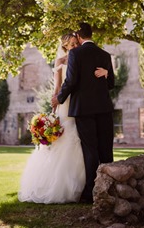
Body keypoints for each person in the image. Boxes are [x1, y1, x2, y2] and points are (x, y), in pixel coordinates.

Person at [18, 32, 107, 204]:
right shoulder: (60, 62)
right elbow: (58, 86)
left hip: (81, 104)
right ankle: (62, 187)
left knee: (83, 143)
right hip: (65, 105)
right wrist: (55, 102)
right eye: (71, 44)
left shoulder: (82, 58)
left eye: (76, 43)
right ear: (64, 46)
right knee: (66, 139)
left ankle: (85, 186)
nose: (74, 46)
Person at [52, 23, 115, 204]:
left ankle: (90, 192)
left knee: (90, 149)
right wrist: (106, 72)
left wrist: (59, 98)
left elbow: (71, 81)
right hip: (104, 108)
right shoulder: (105, 55)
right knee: (105, 149)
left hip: (84, 109)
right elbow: (111, 83)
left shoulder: (75, 54)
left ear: (79, 36)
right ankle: (109, 188)